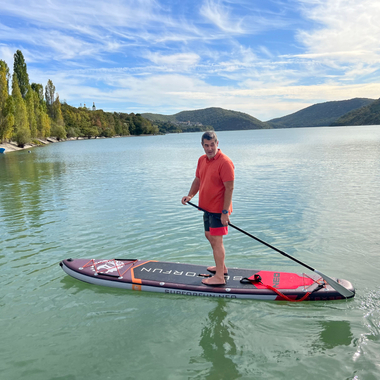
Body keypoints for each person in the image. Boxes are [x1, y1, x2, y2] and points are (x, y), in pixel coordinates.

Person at [181, 131, 235, 286]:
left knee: (217, 241)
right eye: (206, 145)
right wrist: (190, 196)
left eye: (212, 145)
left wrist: (225, 212)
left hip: (219, 209)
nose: (210, 148)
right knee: (209, 235)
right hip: (207, 207)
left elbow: (229, 188)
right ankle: (221, 268)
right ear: (202, 145)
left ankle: (219, 277)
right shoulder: (202, 160)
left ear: (217, 143)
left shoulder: (225, 162)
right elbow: (198, 179)